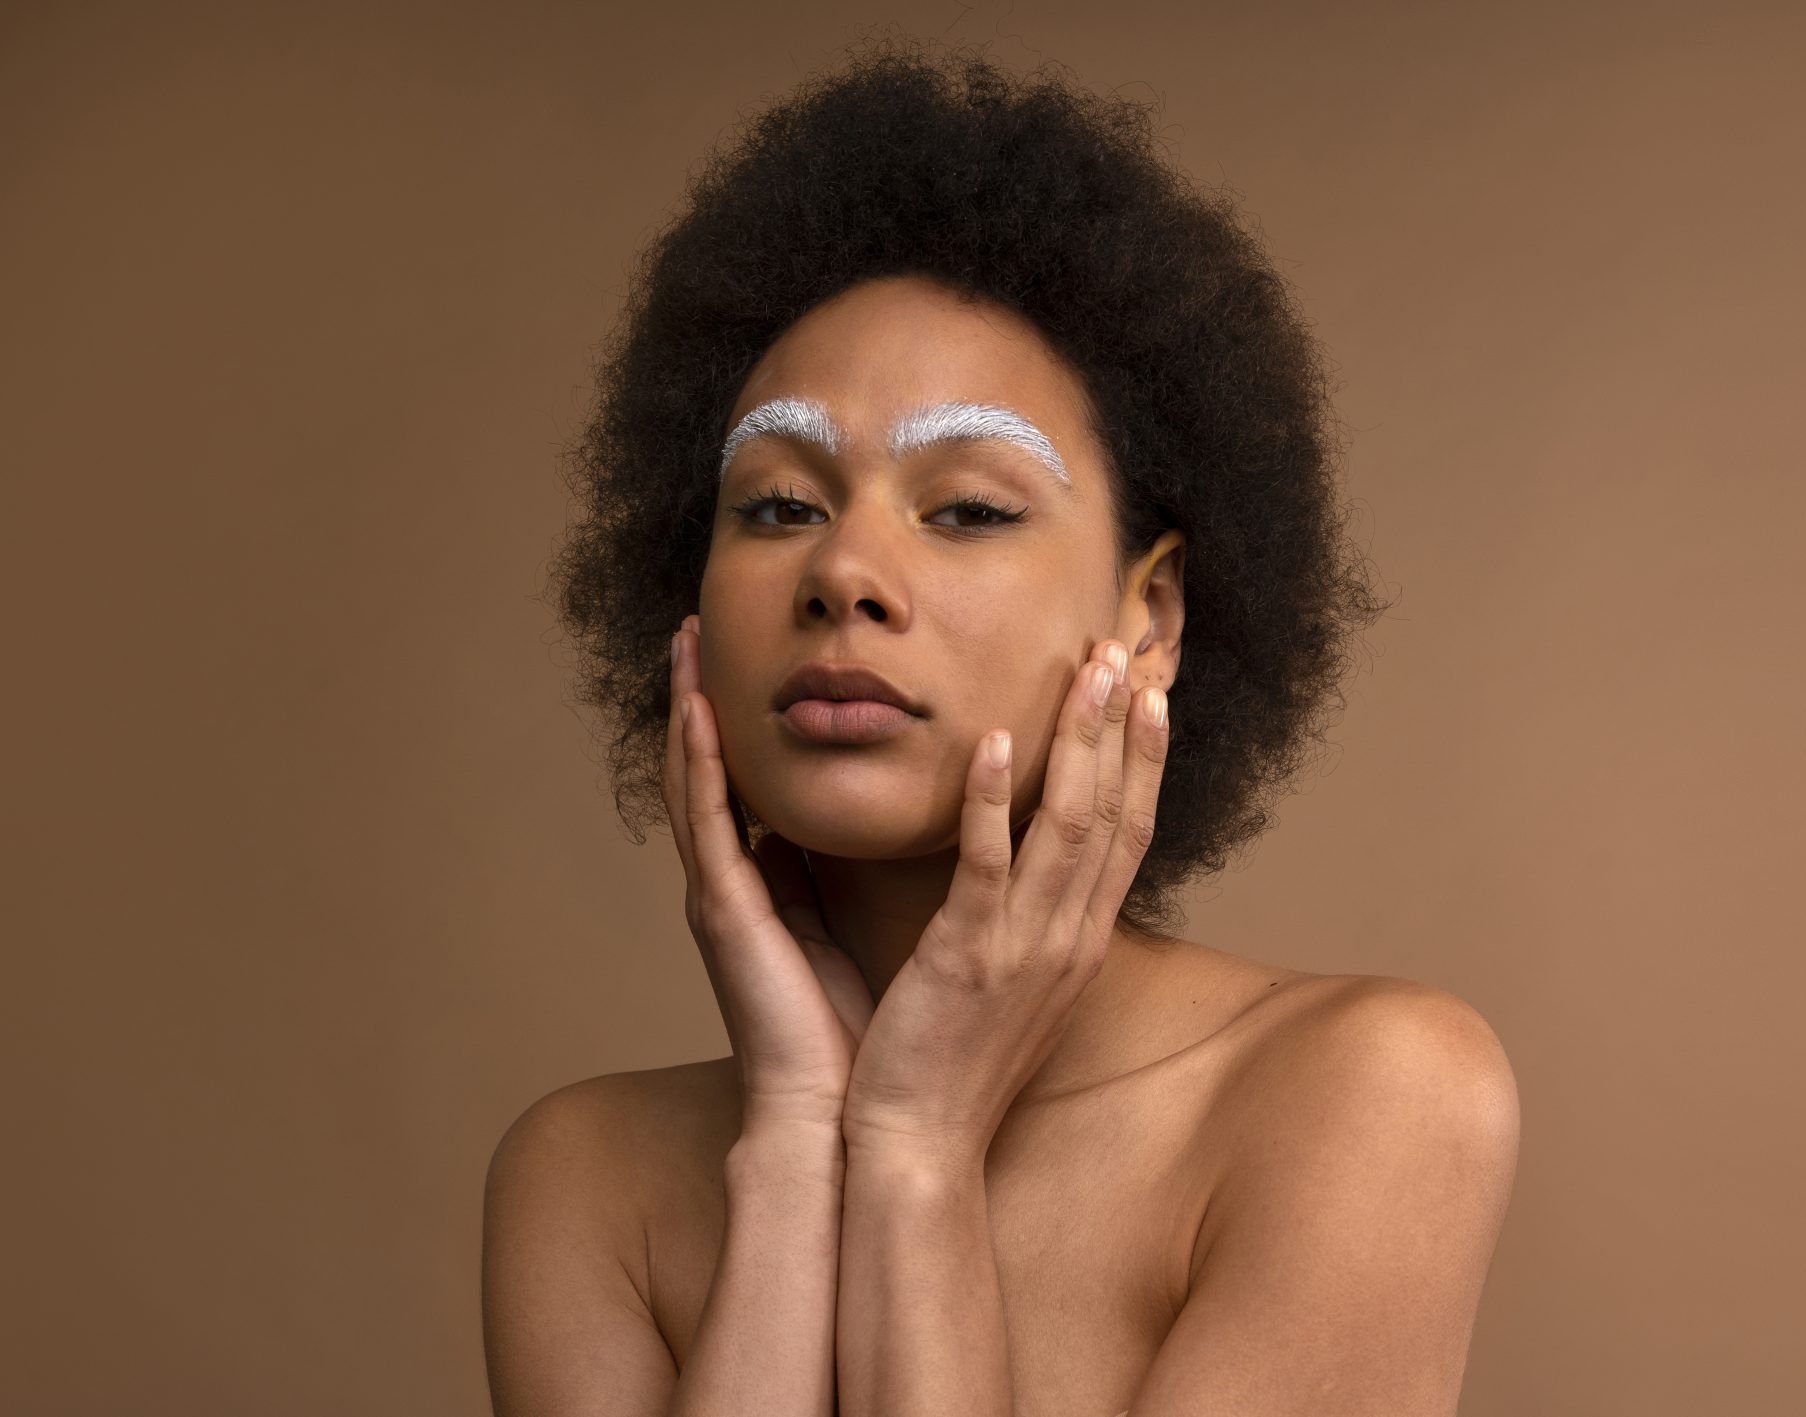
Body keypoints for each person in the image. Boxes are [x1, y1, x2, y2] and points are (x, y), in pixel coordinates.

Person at [482, 37, 1520, 1417]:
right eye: (779, 504)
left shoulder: (1365, 1098)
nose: (840, 574)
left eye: (966, 507)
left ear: (1148, 618)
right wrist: (799, 1142)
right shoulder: (586, 1180)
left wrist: (917, 1145)